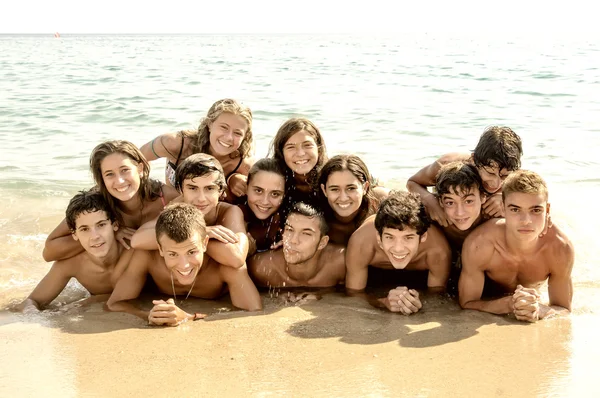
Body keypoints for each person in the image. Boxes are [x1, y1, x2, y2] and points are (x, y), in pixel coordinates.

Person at [107, 203, 262, 326]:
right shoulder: (147, 257)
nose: (184, 265)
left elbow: (253, 312)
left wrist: (189, 317)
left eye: (191, 252)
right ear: (160, 248)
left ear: (205, 243)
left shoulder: (225, 266)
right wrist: (149, 315)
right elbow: (115, 304)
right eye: (173, 254)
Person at [458, 170, 574, 322]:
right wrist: (506, 305)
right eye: (515, 209)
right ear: (503, 209)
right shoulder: (479, 244)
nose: (526, 220)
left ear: (547, 210)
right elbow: (467, 303)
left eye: (536, 210)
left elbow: (564, 309)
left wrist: (540, 309)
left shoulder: (560, 248)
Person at [43, 140, 179, 262]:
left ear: (140, 169)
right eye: (109, 174)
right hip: (121, 274)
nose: (119, 181)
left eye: (125, 170)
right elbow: (49, 252)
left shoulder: (167, 198)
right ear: (101, 178)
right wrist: (109, 234)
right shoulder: (96, 203)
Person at [16, 190, 133, 311]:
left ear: (115, 225)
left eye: (101, 225)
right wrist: (32, 318)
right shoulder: (72, 263)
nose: (95, 236)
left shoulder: (134, 252)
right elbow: (32, 301)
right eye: (84, 229)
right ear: (74, 234)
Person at [130, 153, 249, 268]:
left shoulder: (228, 211)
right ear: (181, 190)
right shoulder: (176, 207)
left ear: (221, 190)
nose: (201, 198)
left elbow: (236, 258)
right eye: (193, 188)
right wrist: (200, 233)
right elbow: (137, 240)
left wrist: (185, 239)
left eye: (209, 188)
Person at [345, 191, 451, 315]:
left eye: (408, 237)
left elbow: (437, 295)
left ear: (422, 237)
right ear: (379, 238)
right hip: (377, 273)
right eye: (390, 237)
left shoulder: (438, 251)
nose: (398, 248)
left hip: (419, 275)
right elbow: (354, 294)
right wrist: (383, 302)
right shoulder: (361, 243)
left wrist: (417, 301)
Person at [140, 98, 254, 202]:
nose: (229, 137)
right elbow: (135, 160)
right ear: (210, 124)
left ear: (245, 136)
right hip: (170, 206)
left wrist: (231, 179)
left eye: (237, 133)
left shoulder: (243, 165)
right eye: (223, 127)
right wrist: (146, 191)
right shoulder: (176, 144)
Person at [406, 126, 522, 225]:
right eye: (490, 173)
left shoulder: (514, 176)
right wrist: (431, 201)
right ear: (473, 159)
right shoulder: (447, 165)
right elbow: (412, 183)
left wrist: (505, 198)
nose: (496, 183)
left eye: (504, 176)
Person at [248, 202, 345, 288]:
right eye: (289, 230)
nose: (293, 240)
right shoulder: (262, 268)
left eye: (306, 234)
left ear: (322, 242)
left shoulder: (340, 264)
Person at [318, 154, 389, 244]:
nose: (343, 198)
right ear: (324, 190)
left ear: (365, 188)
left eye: (351, 188)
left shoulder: (381, 200)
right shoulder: (316, 220)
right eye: (335, 189)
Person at [269, 117, 328, 207]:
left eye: (307, 145)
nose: (300, 153)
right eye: (291, 147)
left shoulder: (330, 179)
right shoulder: (273, 180)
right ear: (281, 153)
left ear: (319, 149)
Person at [434, 161, 487, 251]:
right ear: (440, 202)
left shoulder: (493, 217)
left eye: (468, 201)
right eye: (450, 203)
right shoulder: (434, 219)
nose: (460, 213)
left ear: (483, 197)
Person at [239, 158, 286, 255]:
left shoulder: (287, 219)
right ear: (246, 188)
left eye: (275, 194)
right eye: (258, 191)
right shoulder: (235, 212)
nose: (265, 202)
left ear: (284, 195)